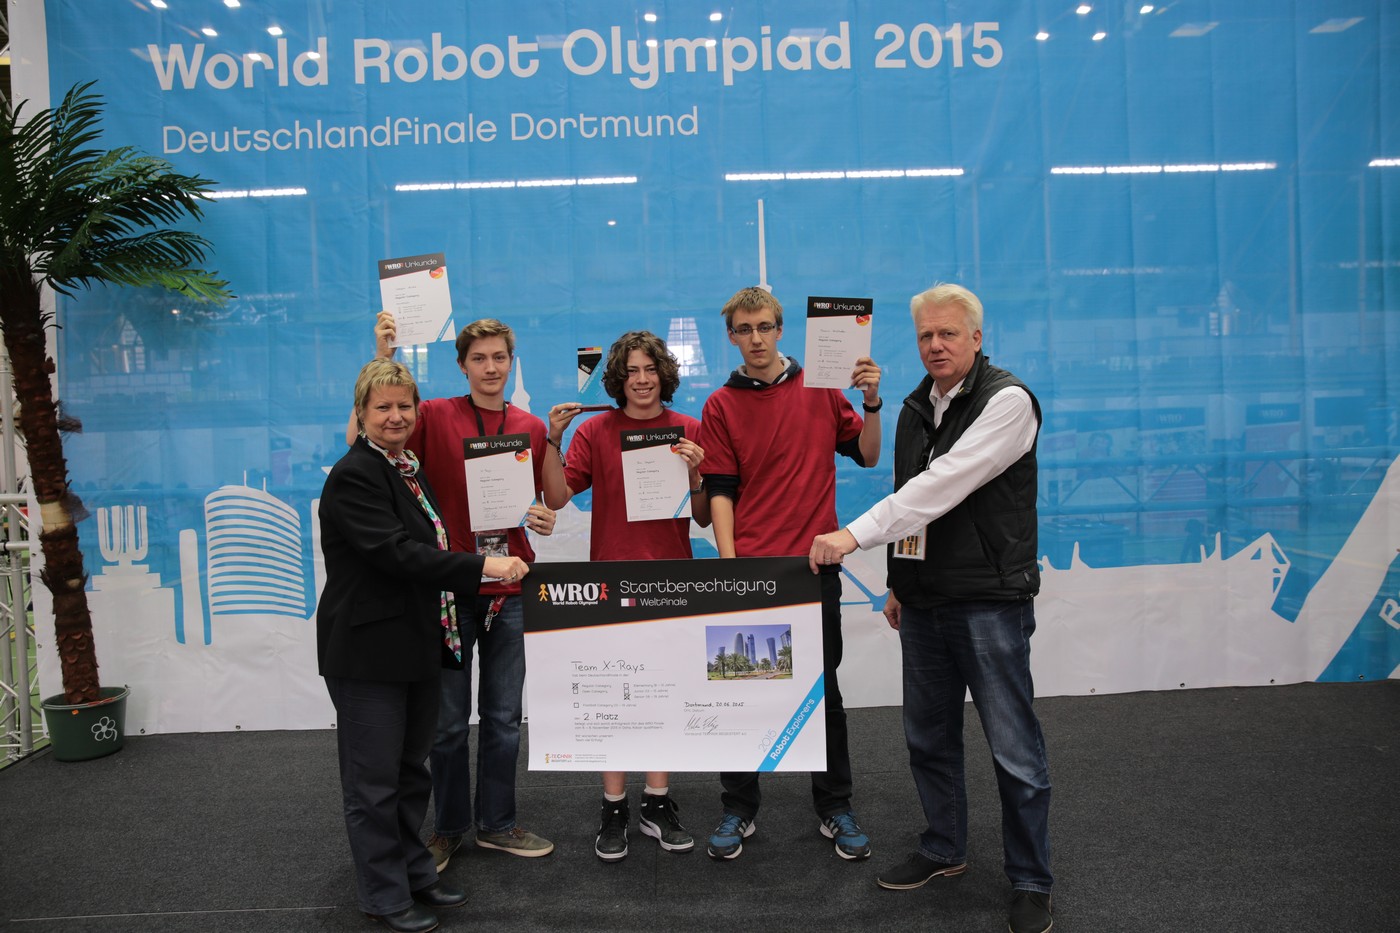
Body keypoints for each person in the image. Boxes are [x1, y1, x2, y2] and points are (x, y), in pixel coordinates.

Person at [808, 283, 1053, 933]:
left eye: (948, 333)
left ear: (977, 336)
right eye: (925, 335)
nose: (935, 345)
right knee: (928, 738)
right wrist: (901, 581)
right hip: (924, 602)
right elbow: (912, 495)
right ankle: (944, 847)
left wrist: (853, 535)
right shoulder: (918, 405)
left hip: (988, 602)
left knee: (1014, 750)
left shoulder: (1007, 401)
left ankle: (1031, 879)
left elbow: (944, 485)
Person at [319, 359, 531, 933]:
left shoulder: (408, 470)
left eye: (404, 406)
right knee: (373, 784)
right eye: (382, 407)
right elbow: (396, 554)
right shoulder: (355, 474)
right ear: (361, 414)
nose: (395, 416)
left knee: (411, 773)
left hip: (415, 643)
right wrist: (483, 566)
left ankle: (414, 871)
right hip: (368, 653)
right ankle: (383, 896)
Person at [356, 313, 557, 869]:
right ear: (462, 365)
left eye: (499, 357)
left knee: (503, 718)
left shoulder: (530, 425)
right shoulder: (435, 415)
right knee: (445, 724)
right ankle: (446, 829)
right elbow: (364, 438)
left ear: (511, 363)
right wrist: (383, 359)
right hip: (448, 591)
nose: (490, 367)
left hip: (510, 590)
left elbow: (544, 503)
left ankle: (497, 824)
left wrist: (543, 517)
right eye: (479, 358)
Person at [696, 286, 883, 861]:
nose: (755, 338)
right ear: (731, 336)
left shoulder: (823, 388)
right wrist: (730, 569)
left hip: (815, 568)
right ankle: (738, 809)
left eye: (764, 327)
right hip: (752, 571)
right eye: (743, 329)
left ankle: (835, 807)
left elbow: (868, 454)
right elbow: (720, 491)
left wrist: (872, 402)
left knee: (824, 694)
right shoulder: (720, 405)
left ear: (780, 330)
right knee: (742, 693)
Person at [541, 330, 711, 862]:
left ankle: (657, 802)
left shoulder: (688, 429)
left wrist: (696, 473)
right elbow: (557, 496)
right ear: (618, 378)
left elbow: (704, 516)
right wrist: (553, 438)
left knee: (664, 696)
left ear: (665, 374)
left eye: (650, 369)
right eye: (632, 371)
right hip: (611, 585)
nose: (641, 380)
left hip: (672, 582)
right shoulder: (595, 430)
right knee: (611, 701)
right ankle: (613, 807)